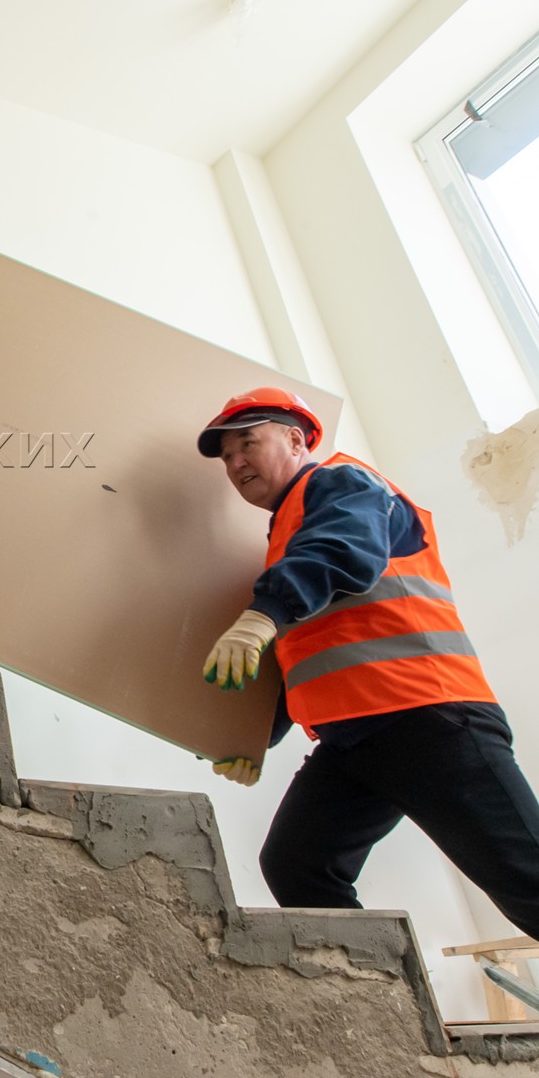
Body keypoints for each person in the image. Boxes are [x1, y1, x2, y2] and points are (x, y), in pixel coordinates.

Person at [197, 386, 539, 938]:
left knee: (528, 880)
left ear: (295, 440)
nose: (236, 463)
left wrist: (264, 613)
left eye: (247, 443)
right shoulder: (289, 536)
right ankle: (376, 992)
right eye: (227, 456)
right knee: (298, 866)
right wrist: (254, 736)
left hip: (428, 716)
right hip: (354, 737)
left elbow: (342, 549)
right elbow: (312, 651)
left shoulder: (342, 483)